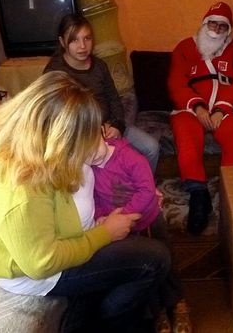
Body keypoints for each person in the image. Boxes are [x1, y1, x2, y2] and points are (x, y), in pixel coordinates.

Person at [0, 71, 170, 333]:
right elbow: (42, 263)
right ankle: (109, 323)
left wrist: (139, 189)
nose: (94, 142)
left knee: (150, 230)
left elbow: (102, 169)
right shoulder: (19, 193)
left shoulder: (33, 144)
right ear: (61, 138)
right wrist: (105, 234)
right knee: (155, 259)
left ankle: (115, 305)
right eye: (86, 137)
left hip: (74, 233)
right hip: (43, 273)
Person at [168, 1, 233, 235]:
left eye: (222, 26)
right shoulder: (185, 47)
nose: (216, 29)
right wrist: (198, 107)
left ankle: (230, 192)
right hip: (192, 109)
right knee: (185, 132)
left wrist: (221, 109)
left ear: (229, 29)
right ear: (204, 24)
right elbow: (176, 82)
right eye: (212, 24)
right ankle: (198, 194)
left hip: (224, 110)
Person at [92, 137, 191, 333]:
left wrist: (125, 214)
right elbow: (94, 198)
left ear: (102, 132)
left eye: (91, 145)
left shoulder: (131, 158)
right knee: (144, 271)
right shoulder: (89, 168)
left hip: (149, 221)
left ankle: (178, 303)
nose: (90, 154)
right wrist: (102, 217)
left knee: (167, 263)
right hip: (121, 228)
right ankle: (158, 311)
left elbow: (147, 190)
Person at [44, 13, 160, 173]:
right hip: (80, 134)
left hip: (110, 125)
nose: (82, 46)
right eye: (74, 40)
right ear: (62, 42)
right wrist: (96, 130)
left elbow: (114, 99)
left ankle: (142, 185)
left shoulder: (99, 65)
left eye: (87, 38)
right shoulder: (55, 72)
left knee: (151, 148)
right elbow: (56, 116)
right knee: (104, 167)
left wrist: (117, 125)